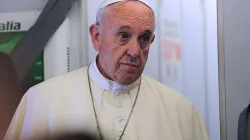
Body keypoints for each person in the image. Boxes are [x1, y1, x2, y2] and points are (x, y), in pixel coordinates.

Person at [4, 0, 209, 140]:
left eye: (144, 39)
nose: (135, 51)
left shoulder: (180, 110)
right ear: (96, 36)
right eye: (123, 36)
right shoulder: (42, 100)